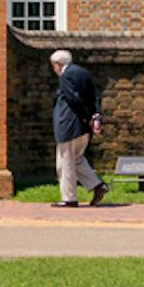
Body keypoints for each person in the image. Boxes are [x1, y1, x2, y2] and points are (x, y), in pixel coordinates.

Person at [48, 48, 103, 208]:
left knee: (64, 164)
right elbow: (95, 95)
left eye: (54, 66)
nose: (54, 70)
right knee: (77, 159)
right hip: (82, 128)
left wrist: (87, 116)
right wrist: (96, 116)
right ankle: (97, 185)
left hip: (69, 126)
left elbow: (74, 99)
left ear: (58, 64)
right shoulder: (83, 72)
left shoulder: (65, 76)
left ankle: (69, 198)